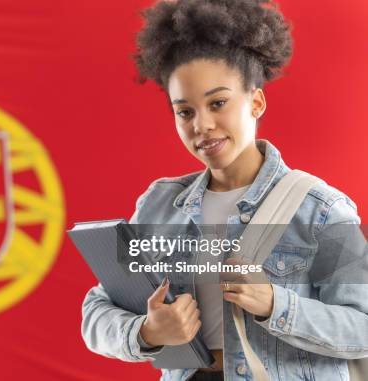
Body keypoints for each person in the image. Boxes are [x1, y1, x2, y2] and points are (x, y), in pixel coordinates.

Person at [80, 0, 368, 380]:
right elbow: (97, 310)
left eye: (218, 103)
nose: (203, 125)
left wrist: (274, 304)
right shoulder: (161, 206)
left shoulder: (322, 210)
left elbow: (362, 329)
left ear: (255, 101)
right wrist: (147, 332)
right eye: (185, 111)